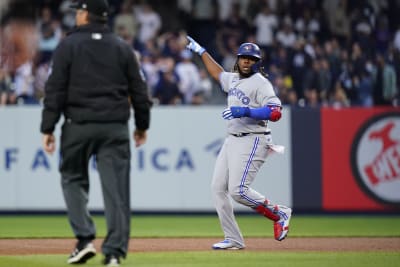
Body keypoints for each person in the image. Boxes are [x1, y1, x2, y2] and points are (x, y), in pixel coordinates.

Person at [40, 0, 152, 266]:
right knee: (117, 192)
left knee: (72, 178)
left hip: (78, 124)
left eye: (79, 11)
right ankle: (113, 253)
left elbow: (54, 89)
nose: (76, 15)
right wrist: (142, 125)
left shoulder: (68, 45)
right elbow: (139, 90)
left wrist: (48, 127)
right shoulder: (123, 47)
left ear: (85, 15)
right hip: (114, 126)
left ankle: (84, 239)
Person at [186, 36, 292, 249]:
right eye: (243, 57)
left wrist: (246, 110)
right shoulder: (233, 79)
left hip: (254, 138)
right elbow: (217, 73)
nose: (246, 61)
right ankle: (233, 239)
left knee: (238, 190)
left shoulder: (261, 83)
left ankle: (279, 212)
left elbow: (276, 112)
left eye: (251, 59)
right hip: (232, 140)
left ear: (256, 62)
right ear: (238, 59)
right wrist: (202, 51)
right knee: (217, 188)